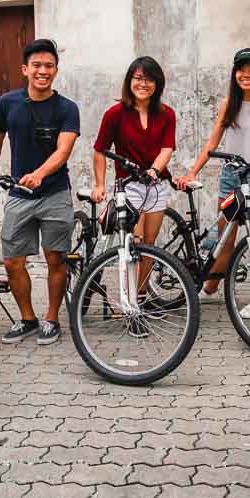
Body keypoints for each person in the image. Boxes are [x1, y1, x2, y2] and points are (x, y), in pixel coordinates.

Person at [174, 48, 250, 312]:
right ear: (235, 73)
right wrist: (193, 172)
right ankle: (211, 287)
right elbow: (212, 144)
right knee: (224, 237)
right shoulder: (229, 104)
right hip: (231, 176)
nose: (246, 75)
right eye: (241, 69)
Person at [0, 38, 81, 346]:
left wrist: (40, 174)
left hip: (54, 193)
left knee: (55, 259)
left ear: (56, 70)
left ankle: (52, 319)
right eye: (36, 65)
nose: (43, 71)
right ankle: (27, 319)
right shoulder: (7, 103)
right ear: (25, 69)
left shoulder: (67, 108)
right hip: (18, 195)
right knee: (13, 261)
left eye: (49, 66)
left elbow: (63, 150)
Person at [91, 57, 175, 332]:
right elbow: (100, 150)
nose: (143, 84)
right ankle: (129, 310)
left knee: (149, 246)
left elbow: (167, 148)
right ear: (130, 81)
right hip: (129, 186)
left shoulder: (166, 114)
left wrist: (154, 170)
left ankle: (139, 299)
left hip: (156, 184)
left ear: (157, 84)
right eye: (138, 78)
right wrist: (100, 184)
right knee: (133, 245)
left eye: (149, 79)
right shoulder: (115, 113)